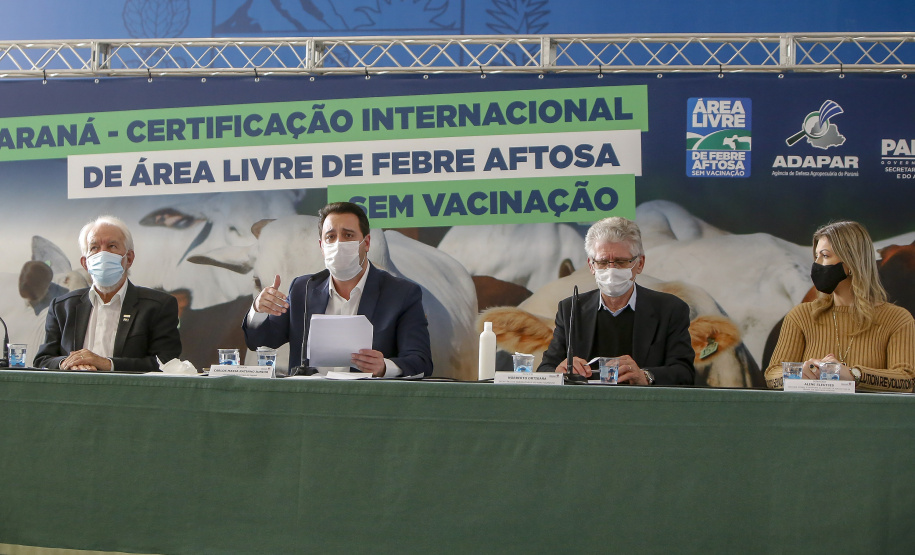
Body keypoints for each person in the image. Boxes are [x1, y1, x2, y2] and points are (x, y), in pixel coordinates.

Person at [242, 202, 433, 377]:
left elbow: (420, 361)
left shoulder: (402, 293)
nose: (338, 243)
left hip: (369, 405)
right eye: (330, 237)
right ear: (321, 246)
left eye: (348, 235)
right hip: (310, 403)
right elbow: (260, 342)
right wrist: (258, 311)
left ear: (366, 243)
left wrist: (384, 367)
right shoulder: (303, 288)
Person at [536, 217, 695, 385]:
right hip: (584, 408)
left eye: (621, 262)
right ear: (591, 265)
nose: (611, 269)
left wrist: (645, 376)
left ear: (640, 263)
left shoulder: (670, 309)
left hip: (645, 408)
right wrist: (558, 371)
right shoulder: (571, 309)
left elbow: (684, 373)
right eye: (603, 262)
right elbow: (545, 369)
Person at [765, 221, 915, 391]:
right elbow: (772, 376)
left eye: (825, 256)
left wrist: (853, 375)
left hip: (870, 417)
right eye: (816, 256)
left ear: (852, 262)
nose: (817, 264)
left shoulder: (897, 319)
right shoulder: (801, 315)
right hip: (810, 416)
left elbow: (906, 380)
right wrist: (800, 372)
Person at [33, 216, 182, 372]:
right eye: (94, 248)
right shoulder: (62, 307)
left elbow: (167, 363)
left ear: (129, 258)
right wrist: (68, 363)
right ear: (85, 263)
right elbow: (43, 360)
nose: (102, 254)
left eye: (112, 246)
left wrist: (107, 364)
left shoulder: (158, 306)